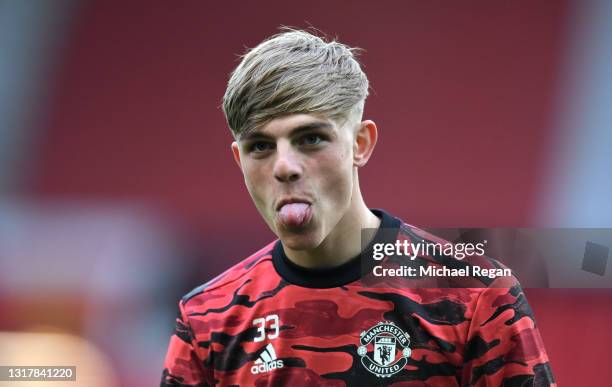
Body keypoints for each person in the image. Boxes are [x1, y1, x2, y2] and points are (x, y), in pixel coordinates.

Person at [161, 29, 555, 386]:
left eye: (311, 138)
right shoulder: (207, 320)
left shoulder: (474, 297)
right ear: (238, 161)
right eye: (260, 146)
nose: (284, 166)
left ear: (361, 144)